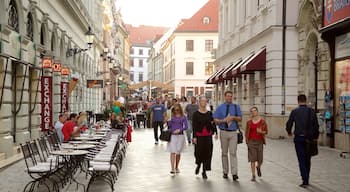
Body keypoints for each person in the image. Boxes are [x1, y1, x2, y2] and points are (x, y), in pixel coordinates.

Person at [286, 94, 319, 188]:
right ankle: (307, 177)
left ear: (298, 101)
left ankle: (305, 180)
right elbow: (316, 126)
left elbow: (289, 123)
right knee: (308, 159)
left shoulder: (295, 111)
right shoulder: (311, 111)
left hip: (299, 138)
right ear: (306, 100)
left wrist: (289, 132)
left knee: (301, 159)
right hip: (309, 139)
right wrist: (315, 137)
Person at [213, 91, 242, 180]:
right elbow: (215, 120)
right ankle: (225, 171)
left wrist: (233, 118)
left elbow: (240, 118)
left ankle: (234, 173)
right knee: (224, 153)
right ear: (225, 97)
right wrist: (223, 121)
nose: (229, 98)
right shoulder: (220, 107)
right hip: (223, 132)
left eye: (231, 96)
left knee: (233, 153)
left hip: (233, 132)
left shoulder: (236, 107)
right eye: (228, 96)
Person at [192, 97, 218, 179]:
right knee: (198, 153)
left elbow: (213, 123)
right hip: (199, 136)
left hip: (208, 136)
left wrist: (216, 132)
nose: (204, 102)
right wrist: (194, 137)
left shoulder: (209, 113)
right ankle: (199, 165)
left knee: (207, 153)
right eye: (202, 101)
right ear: (199, 103)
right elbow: (194, 126)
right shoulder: (195, 114)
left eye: (205, 101)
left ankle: (204, 171)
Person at [245, 107, 268, 181]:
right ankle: (253, 175)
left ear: (257, 112)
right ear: (251, 113)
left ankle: (258, 167)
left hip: (260, 142)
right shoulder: (249, 122)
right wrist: (247, 142)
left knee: (260, 159)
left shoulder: (262, 122)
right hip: (251, 142)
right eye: (252, 111)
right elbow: (246, 133)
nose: (254, 112)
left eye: (255, 111)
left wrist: (261, 132)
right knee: (252, 159)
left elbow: (266, 131)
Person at [167, 103, 188, 174]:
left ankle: (176, 167)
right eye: (175, 110)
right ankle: (172, 168)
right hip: (172, 135)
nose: (176, 111)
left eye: (177, 110)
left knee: (178, 152)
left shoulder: (183, 117)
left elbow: (186, 126)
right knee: (172, 151)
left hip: (180, 136)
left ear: (180, 109)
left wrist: (180, 130)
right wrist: (169, 120)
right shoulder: (172, 116)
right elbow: (169, 126)